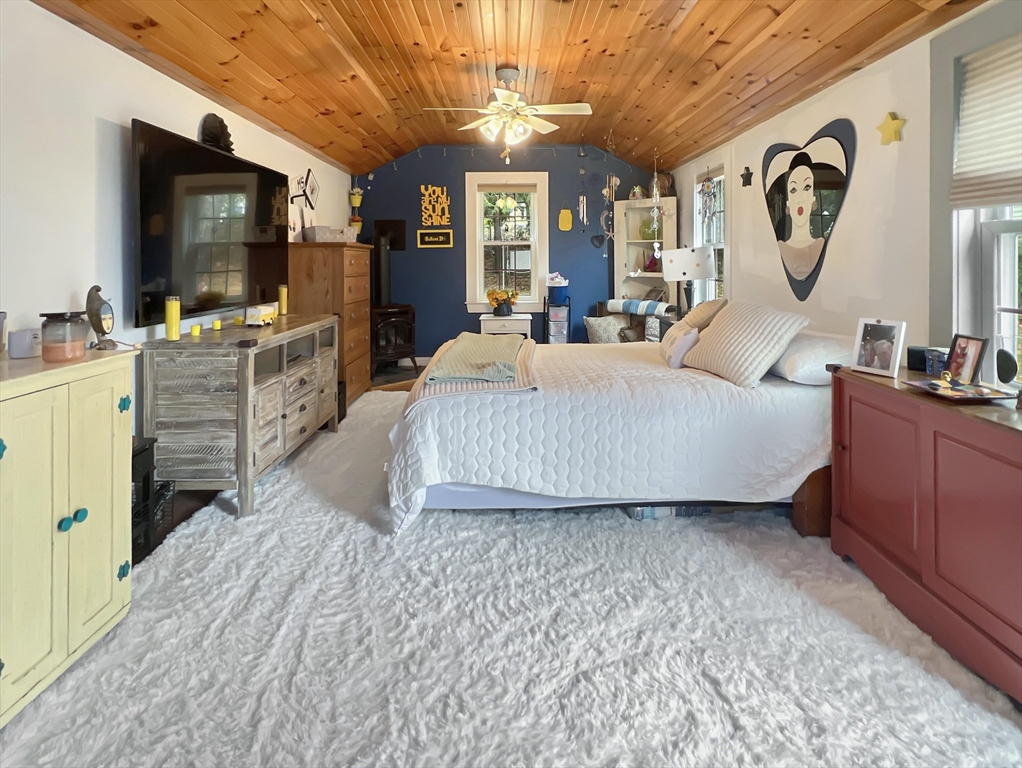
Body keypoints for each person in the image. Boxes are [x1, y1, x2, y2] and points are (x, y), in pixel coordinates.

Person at [776, 152, 826, 281]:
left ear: (813, 199)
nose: (800, 198)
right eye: (793, 190)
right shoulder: (780, 246)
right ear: (788, 202)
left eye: (806, 187)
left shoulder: (820, 244)